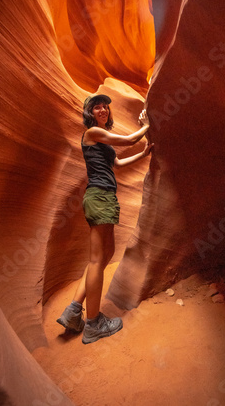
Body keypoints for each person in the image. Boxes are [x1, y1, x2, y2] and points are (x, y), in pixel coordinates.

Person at [57, 93, 153, 344]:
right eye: (97, 107)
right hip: (99, 197)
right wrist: (148, 123)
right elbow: (128, 139)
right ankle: (93, 323)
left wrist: (143, 155)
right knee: (98, 259)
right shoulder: (91, 133)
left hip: (104, 198)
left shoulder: (101, 141)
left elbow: (118, 163)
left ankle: (74, 311)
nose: (103, 110)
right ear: (90, 113)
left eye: (105, 107)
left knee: (103, 257)